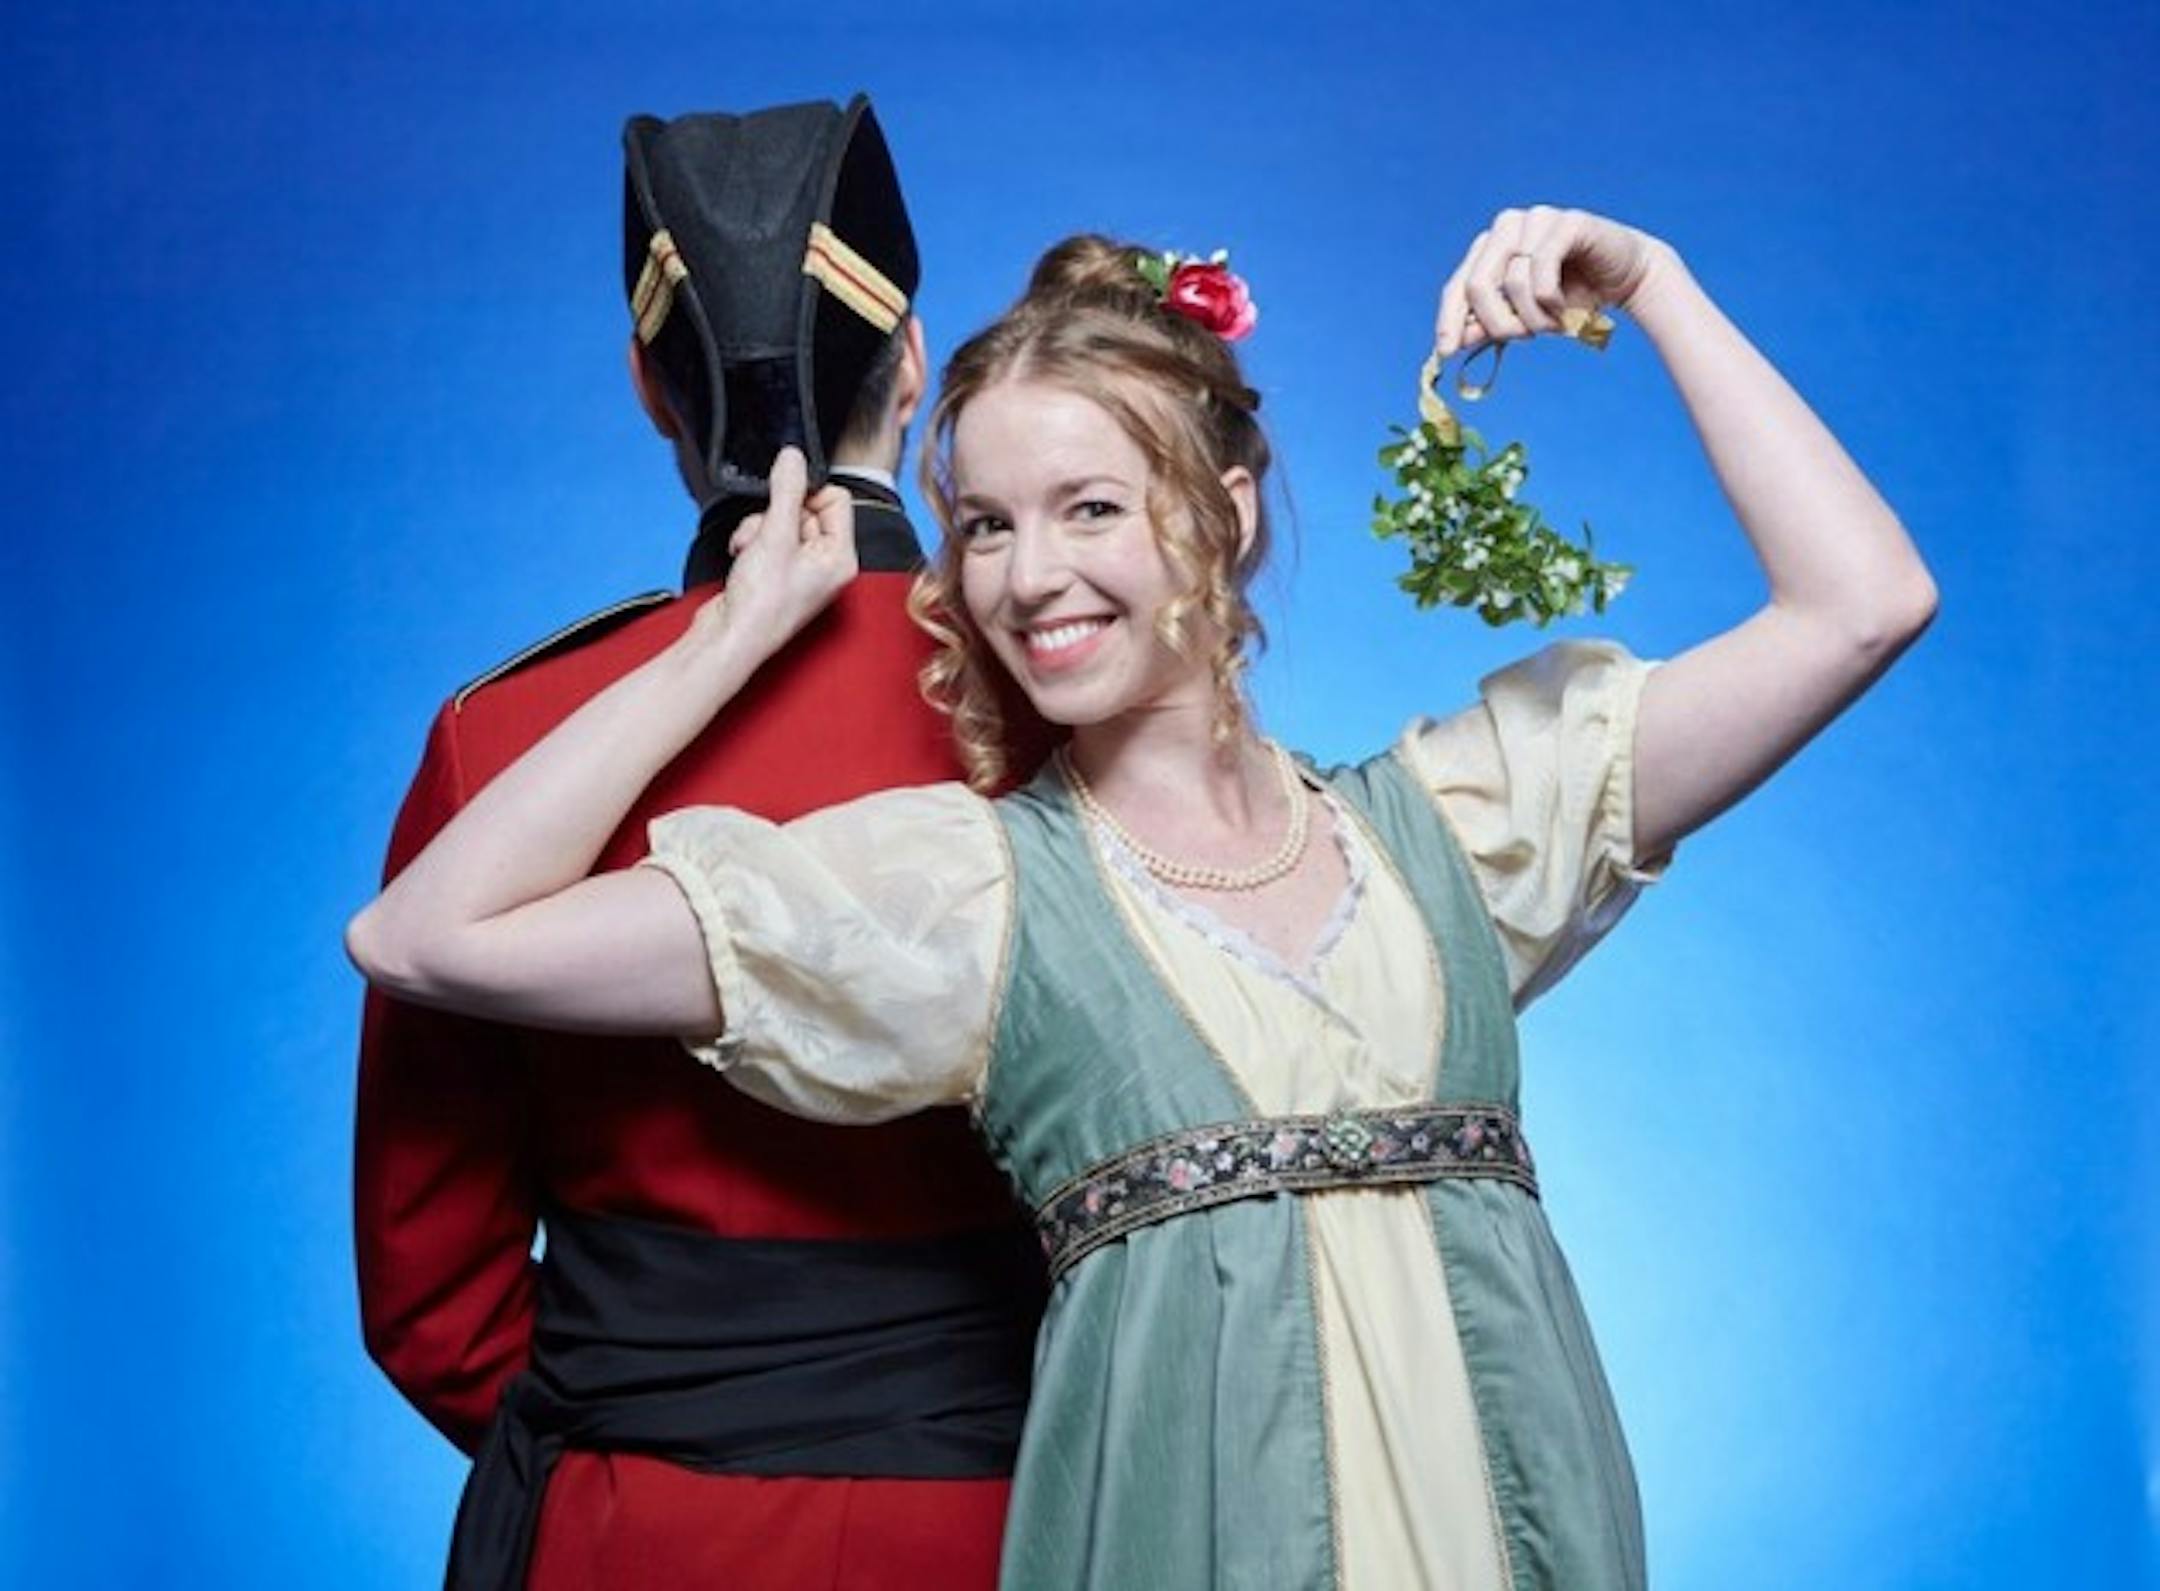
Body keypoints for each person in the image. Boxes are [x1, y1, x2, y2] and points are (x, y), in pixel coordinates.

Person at [348, 206, 1937, 1589]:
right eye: (984, 526)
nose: (1030, 573)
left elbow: (1863, 605)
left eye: (1091, 507)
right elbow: (426, 936)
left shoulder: (1452, 837)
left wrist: (1651, 281)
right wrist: (733, 632)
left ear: (1227, 514)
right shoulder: (972, 894)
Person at [352, 96, 1044, 1591]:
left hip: (633, 1517)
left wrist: (654, 1423)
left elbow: (428, 1290)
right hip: (1034, 1521)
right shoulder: (1078, 702)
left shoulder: (505, 736)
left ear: (648, 393)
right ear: (913, 364)